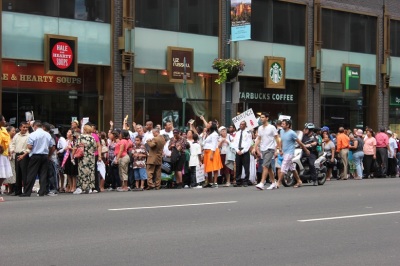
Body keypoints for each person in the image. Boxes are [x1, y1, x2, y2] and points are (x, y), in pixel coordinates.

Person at [20, 120, 55, 197]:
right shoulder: (47, 135)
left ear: (35, 126)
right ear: (41, 126)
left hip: (35, 155)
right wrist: (49, 155)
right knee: (43, 174)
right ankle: (42, 191)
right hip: (45, 155)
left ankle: (27, 192)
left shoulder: (33, 134)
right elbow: (52, 146)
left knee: (31, 173)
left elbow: (30, 146)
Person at [277, 120, 309, 188]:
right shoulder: (281, 131)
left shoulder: (292, 133)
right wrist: (280, 149)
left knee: (283, 166)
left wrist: (306, 150)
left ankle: (278, 182)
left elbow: (299, 142)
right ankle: (299, 181)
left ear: (288, 125)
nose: (282, 125)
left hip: (290, 153)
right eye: (281, 124)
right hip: (284, 152)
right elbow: (281, 140)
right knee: (292, 168)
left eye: (283, 124)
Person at [253, 112, 280, 190]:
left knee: (264, 166)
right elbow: (259, 138)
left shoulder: (272, 127)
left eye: (263, 117)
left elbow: (277, 138)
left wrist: (278, 148)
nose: (261, 119)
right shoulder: (260, 128)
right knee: (269, 167)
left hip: (270, 149)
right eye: (261, 117)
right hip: (263, 149)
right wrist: (255, 147)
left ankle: (262, 183)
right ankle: (273, 183)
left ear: (267, 118)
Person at [72, 124, 97, 195]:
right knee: (90, 172)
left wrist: (72, 156)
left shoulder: (81, 137)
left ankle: (81, 187)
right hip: (91, 158)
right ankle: (89, 188)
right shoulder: (92, 138)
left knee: (82, 172)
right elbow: (95, 148)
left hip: (83, 158)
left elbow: (75, 147)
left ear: (85, 130)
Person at [9, 121, 30, 196]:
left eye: (26, 127)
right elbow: (12, 144)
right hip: (16, 154)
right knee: (17, 173)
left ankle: (26, 191)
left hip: (24, 155)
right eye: (24, 127)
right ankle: (17, 190)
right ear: (20, 127)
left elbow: (30, 147)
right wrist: (11, 150)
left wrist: (23, 155)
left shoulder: (29, 136)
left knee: (25, 174)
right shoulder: (16, 135)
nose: (25, 129)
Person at [202, 122, 223, 188]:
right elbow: (203, 142)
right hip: (206, 151)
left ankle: (215, 182)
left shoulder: (214, 134)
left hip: (212, 151)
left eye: (209, 124)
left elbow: (214, 144)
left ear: (212, 126)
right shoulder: (208, 133)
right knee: (208, 167)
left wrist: (212, 154)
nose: (208, 124)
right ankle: (210, 182)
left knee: (214, 167)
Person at [233, 121, 253, 187]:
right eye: (240, 124)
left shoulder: (248, 133)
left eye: (242, 124)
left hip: (245, 151)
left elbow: (249, 143)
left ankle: (246, 181)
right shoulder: (237, 133)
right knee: (238, 166)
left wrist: (243, 151)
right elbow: (235, 142)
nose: (241, 125)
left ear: (245, 125)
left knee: (246, 166)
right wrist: (237, 150)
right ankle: (238, 181)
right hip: (238, 150)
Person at [0, 114, 13, 202]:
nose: (5, 121)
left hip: (4, 155)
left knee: (3, 176)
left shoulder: (4, 129)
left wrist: (8, 151)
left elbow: (8, 142)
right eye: (3, 120)